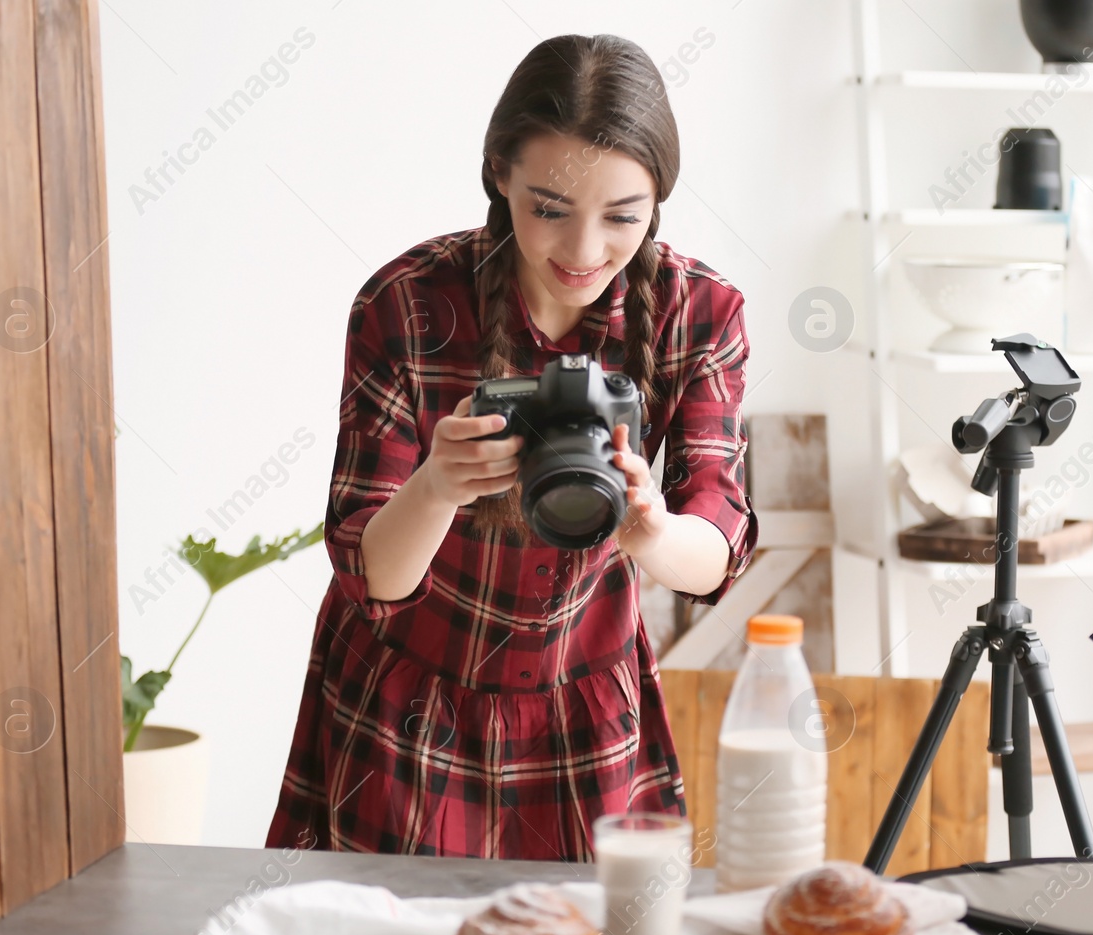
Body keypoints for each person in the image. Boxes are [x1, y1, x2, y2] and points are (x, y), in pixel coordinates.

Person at [264, 33, 758, 861]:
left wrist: (652, 531)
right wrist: (436, 488)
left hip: (584, 702)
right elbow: (370, 573)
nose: (583, 251)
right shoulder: (408, 303)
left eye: (623, 219)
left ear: (658, 201)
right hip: (403, 702)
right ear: (499, 172)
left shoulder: (696, 313)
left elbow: (720, 543)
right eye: (550, 209)